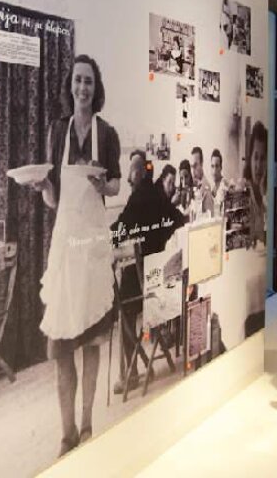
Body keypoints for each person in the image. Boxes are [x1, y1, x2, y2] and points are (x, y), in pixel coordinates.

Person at [31, 54, 120, 455]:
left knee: (93, 338)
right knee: (62, 342)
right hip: (67, 245)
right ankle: (66, 433)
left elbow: (115, 186)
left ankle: (86, 425)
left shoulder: (108, 133)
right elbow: (54, 199)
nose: (83, 87)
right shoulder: (57, 131)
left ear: (95, 89)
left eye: (89, 81)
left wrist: (103, 186)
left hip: (94, 244)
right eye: (78, 80)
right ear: (70, 86)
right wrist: (43, 189)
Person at [111, 151, 185, 394]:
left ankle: (131, 373)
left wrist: (101, 237)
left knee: (123, 307)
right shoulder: (159, 195)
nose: (128, 179)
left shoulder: (138, 197)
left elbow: (120, 229)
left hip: (146, 283)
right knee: (129, 281)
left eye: (131, 173)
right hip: (162, 280)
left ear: (141, 172)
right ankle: (141, 361)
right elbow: (180, 220)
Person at [243, 122, 268, 245]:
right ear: (250, 159)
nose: (258, 165)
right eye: (256, 157)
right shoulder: (243, 191)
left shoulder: (269, 194)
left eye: (263, 159)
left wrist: (264, 196)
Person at [189, 146, 214, 218]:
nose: (193, 171)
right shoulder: (194, 185)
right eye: (191, 166)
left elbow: (210, 217)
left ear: (201, 164)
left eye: (195, 166)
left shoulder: (206, 187)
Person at [209, 148, 231, 213]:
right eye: (212, 166)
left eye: (217, 166)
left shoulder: (225, 186)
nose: (214, 170)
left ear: (221, 167)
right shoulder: (212, 188)